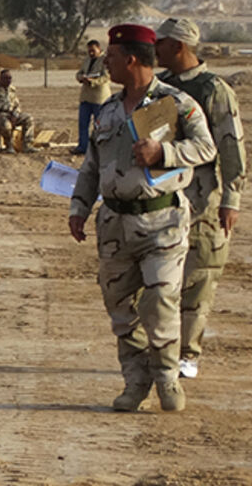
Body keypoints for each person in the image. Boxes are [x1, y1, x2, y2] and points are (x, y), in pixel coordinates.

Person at [68, 24, 214, 413]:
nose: (107, 64)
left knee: (161, 301)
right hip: (115, 225)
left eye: (112, 58)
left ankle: (168, 379)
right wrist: (79, 206)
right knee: (119, 309)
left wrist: (163, 154)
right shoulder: (108, 110)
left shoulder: (177, 104)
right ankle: (135, 381)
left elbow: (205, 147)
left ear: (131, 59)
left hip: (162, 221)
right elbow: (91, 165)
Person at [155, 17, 246, 380]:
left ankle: (187, 353)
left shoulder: (214, 90)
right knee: (164, 278)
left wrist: (231, 200)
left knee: (200, 274)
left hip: (203, 197)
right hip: (164, 194)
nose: (155, 49)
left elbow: (232, 148)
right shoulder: (162, 87)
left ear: (179, 46)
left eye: (161, 43)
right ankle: (163, 348)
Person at [0, 69, 38, 153]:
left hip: (10, 114)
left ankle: (27, 146)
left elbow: (17, 104)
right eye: (6, 78)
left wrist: (15, 115)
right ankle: (9, 146)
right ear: (0, 78)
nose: (9, 80)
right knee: (6, 125)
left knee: (28, 118)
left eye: (10, 78)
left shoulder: (12, 90)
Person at [74, 40, 111, 155]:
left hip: (99, 98)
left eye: (93, 50)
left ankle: (98, 150)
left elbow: (106, 77)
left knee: (99, 126)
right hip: (85, 98)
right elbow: (79, 73)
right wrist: (81, 78)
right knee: (83, 124)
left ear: (99, 49)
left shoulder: (105, 60)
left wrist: (93, 82)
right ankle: (82, 148)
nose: (91, 53)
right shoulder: (86, 60)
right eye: (89, 50)